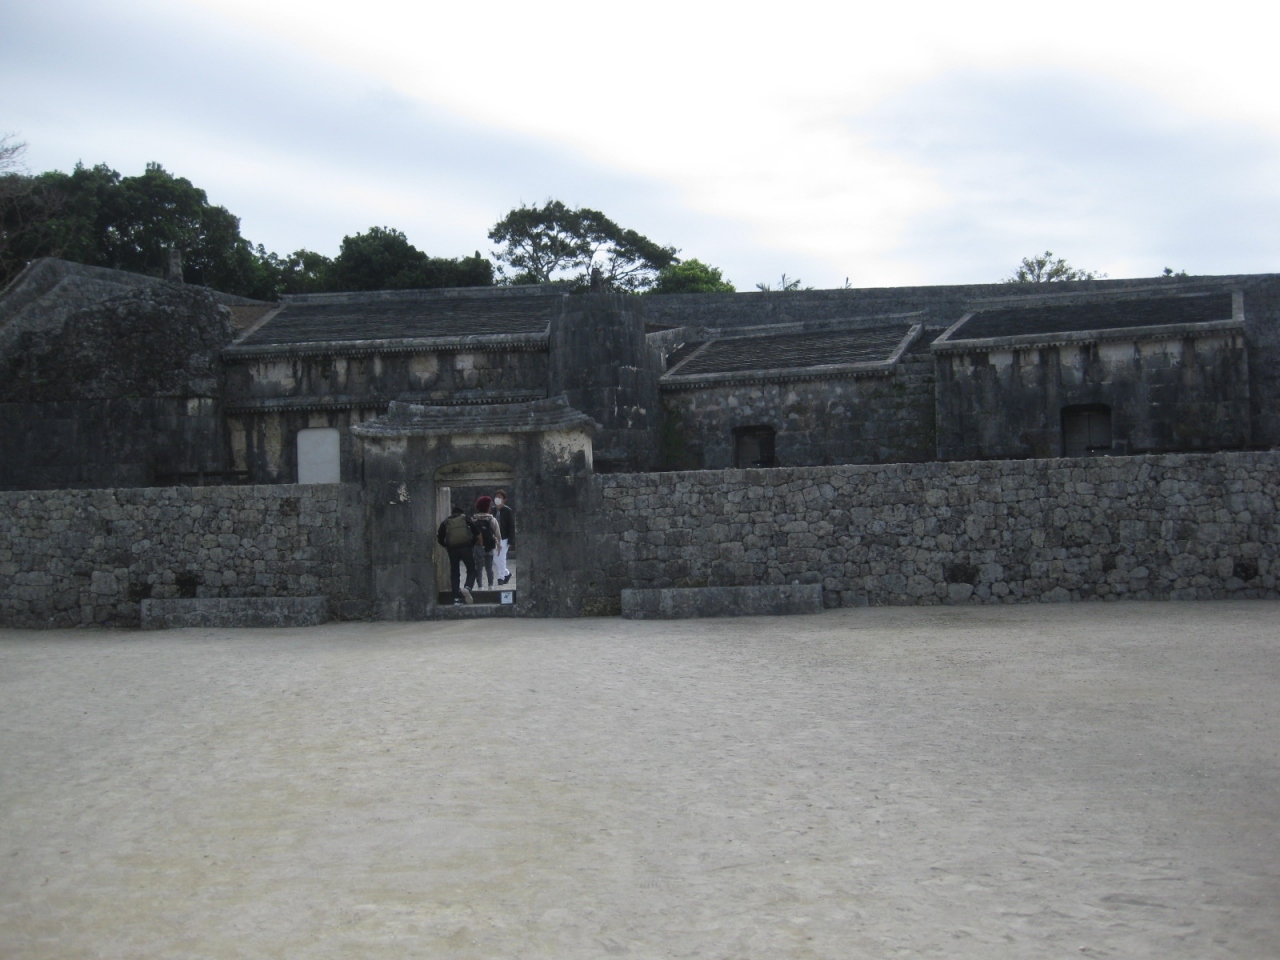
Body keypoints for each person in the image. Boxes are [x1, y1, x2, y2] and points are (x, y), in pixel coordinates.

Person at [436, 504, 479, 604]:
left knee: (455, 572)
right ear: (462, 513)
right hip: (466, 548)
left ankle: (456, 598)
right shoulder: (465, 518)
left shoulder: (446, 522)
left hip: (453, 550)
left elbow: (440, 538)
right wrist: (471, 543)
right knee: (471, 569)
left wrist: (447, 546)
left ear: (452, 513)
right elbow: (476, 531)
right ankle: (467, 588)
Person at [472, 495, 501, 589]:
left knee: (478, 567)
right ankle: (490, 585)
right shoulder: (492, 519)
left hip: (477, 545)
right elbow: (497, 533)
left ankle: (480, 586)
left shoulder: (474, 519)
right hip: (490, 545)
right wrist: (499, 545)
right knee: (489, 567)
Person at [493, 489, 515, 585]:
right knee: (495, 558)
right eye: (496, 496)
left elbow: (511, 526)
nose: (497, 499)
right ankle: (507, 573)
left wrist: (511, 540)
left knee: (501, 557)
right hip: (494, 538)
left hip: (504, 537)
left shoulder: (507, 510)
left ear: (504, 499)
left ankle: (500, 577)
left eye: (499, 497)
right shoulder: (492, 510)